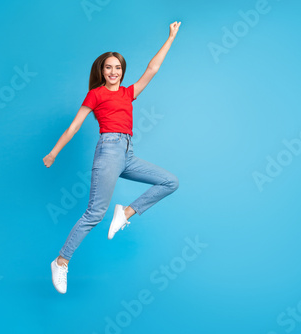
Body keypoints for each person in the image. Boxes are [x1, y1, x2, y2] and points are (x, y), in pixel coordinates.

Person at [43, 21, 182, 294]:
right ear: (101, 71)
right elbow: (74, 126)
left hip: (128, 153)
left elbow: (152, 69)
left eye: (118, 68)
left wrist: (171, 38)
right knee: (94, 213)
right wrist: (54, 152)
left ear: (122, 71)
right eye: (109, 67)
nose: (114, 72)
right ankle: (61, 261)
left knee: (170, 182)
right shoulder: (95, 94)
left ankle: (126, 212)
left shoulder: (129, 93)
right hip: (108, 151)